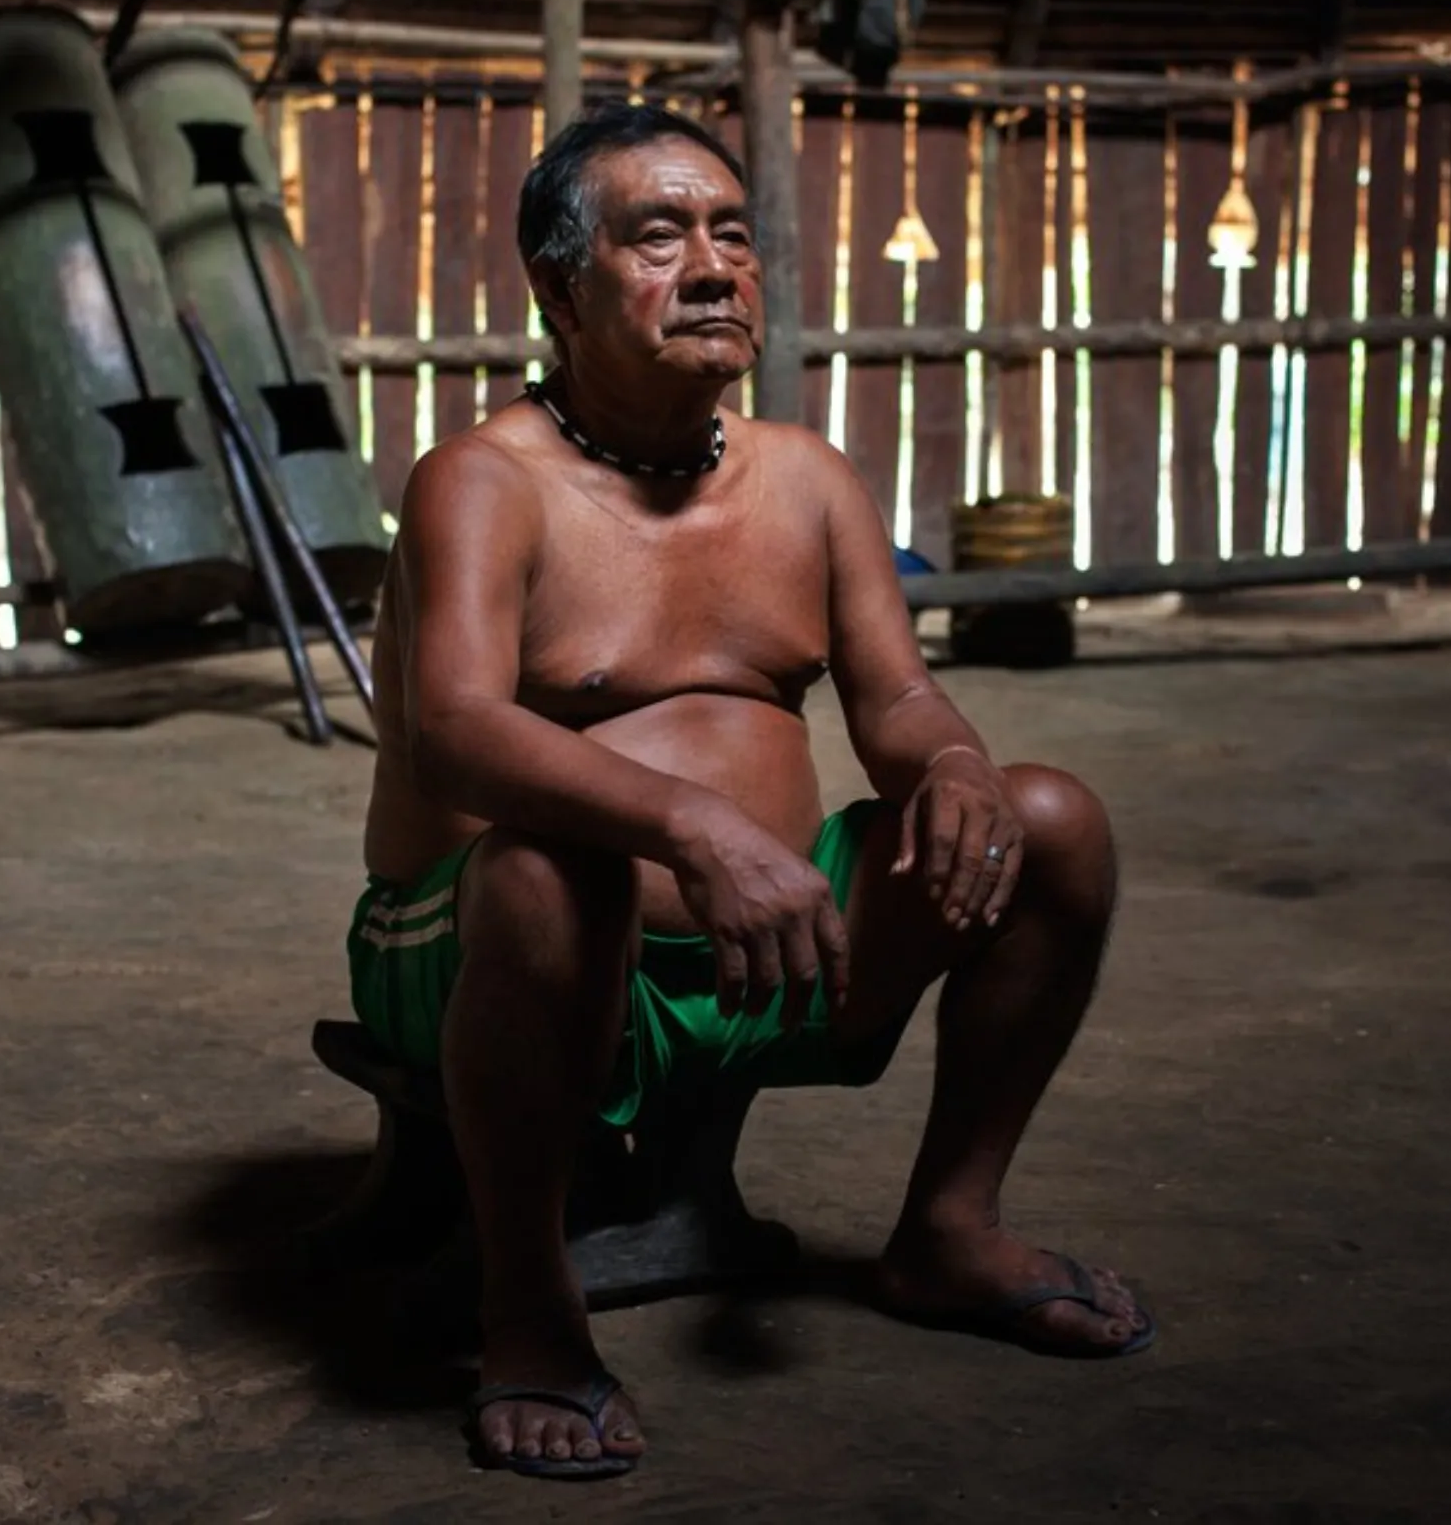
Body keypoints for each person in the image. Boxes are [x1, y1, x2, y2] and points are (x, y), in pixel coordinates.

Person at [345, 101, 1150, 1482]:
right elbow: (457, 734)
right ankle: (531, 1311)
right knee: (553, 869)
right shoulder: (480, 483)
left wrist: (951, 760)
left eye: (732, 235)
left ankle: (946, 1232)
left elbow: (893, 699)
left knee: (1054, 820)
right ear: (560, 286)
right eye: (658, 238)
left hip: (771, 943)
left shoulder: (805, 479)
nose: (713, 267)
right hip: (489, 941)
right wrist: (690, 823)